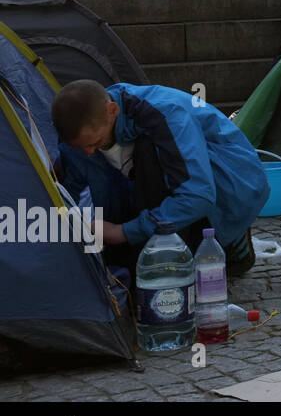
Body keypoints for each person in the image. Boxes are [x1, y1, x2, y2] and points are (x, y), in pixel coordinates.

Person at [51, 79, 269, 278]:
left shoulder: (165, 113)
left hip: (235, 186)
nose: (89, 152)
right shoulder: (82, 133)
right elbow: (70, 193)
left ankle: (229, 241)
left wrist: (123, 232)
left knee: (148, 153)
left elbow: (197, 195)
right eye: (83, 146)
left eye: (94, 143)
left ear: (112, 110)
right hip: (178, 190)